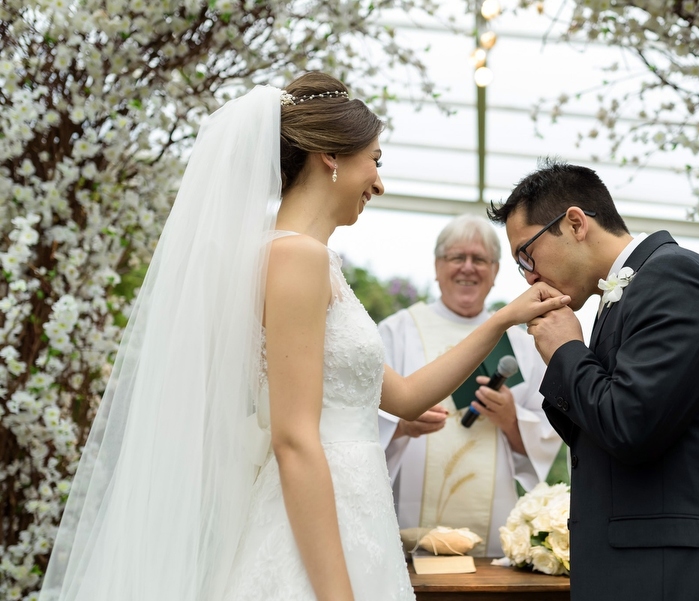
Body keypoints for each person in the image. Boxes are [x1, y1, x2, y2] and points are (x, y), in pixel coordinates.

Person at [38, 74, 569, 601]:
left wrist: (499, 320)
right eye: (375, 161)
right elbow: (293, 439)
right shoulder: (296, 257)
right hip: (317, 530)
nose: (379, 183)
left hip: (356, 516)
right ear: (330, 157)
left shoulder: (316, 263)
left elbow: (403, 396)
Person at [487, 161, 699, 601]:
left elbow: (630, 424)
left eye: (527, 255)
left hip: (680, 577)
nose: (529, 275)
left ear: (574, 223)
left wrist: (567, 352)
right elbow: (597, 434)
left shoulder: (675, 277)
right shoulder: (623, 295)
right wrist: (564, 355)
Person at [377, 215, 562, 557]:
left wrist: (512, 419)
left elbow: (551, 433)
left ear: (494, 272)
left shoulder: (522, 344)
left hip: (493, 522)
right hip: (408, 509)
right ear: (436, 266)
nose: (468, 268)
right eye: (456, 258)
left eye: (480, 260)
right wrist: (401, 425)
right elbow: (358, 415)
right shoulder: (396, 332)